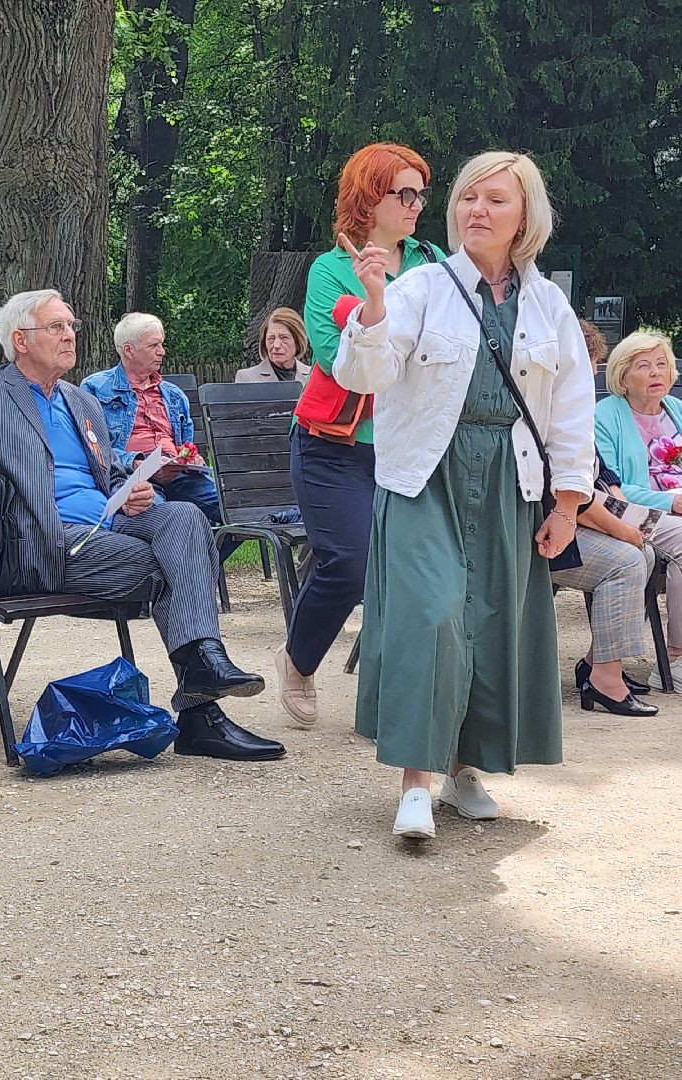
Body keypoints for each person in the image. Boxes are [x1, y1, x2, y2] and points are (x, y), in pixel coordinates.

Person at [333, 151, 593, 841]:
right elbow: (365, 375)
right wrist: (376, 304)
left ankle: (465, 769)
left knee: (489, 620)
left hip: (510, 479)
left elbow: (570, 409)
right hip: (427, 476)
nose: (477, 210)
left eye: (495, 200)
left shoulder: (547, 304)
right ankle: (415, 781)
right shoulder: (422, 287)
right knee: (434, 614)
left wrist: (567, 505)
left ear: (524, 217)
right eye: (469, 198)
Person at [0, 289, 284, 762]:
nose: (69, 334)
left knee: (183, 516)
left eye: (71, 325)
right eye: (56, 327)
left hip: (108, 530)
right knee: (179, 564)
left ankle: (203, 676)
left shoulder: (82, 403)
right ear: (19, 339)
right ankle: (202, 707)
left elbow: (109, 475)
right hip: (39, 545)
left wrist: (133, 491)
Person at [275, 142, 446, 731]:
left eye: (421, 191)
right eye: (405, 192)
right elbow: (329, 352)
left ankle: (385, 701)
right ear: (370, 197)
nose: (417, 203)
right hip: (332, 446)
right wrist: (376, 310)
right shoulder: (330, 269)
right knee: (349, 563)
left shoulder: (432, 261)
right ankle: (298, 661)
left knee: (408, 572)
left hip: (411, 446)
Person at [550, 323, 657, 716]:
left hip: (574, 519)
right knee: (627, 561)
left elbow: (599, 471)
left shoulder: (570, 406)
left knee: (643, 556)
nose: (591, 376)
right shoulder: (545, 408)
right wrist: (623, 529)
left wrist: (619, 503)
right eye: (585, 365)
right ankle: (605, 684)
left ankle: (599, 665)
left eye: (593, 365)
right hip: (538, 532)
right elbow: (568, 493)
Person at [79, 313, 238, 558]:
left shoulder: (173, 394)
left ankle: (202, 570)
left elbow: (185, 444)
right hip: (133, 479)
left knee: (240, 508)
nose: (162, 351)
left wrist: (190, 460)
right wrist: (135, 462)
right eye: (154, 345)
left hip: (180, 477)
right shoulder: (94, 388)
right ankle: (190, 576)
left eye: (161, 344)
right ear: (129, 350)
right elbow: (93, 448)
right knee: (175, 521)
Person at [593, 330, 682, 688]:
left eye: (662, 364)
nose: (656, 373)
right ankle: (675, 657)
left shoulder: (676, 409)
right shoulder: (606, 414)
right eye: (643, 366)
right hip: (634, 513)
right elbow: (609, 485)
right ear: (623, 376)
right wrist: (670, 500)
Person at [234, 307, 313, 383]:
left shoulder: (312, 376)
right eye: (271, 338)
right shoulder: (247, 378)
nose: (276, 345)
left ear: (298, 342)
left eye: (284, 338)